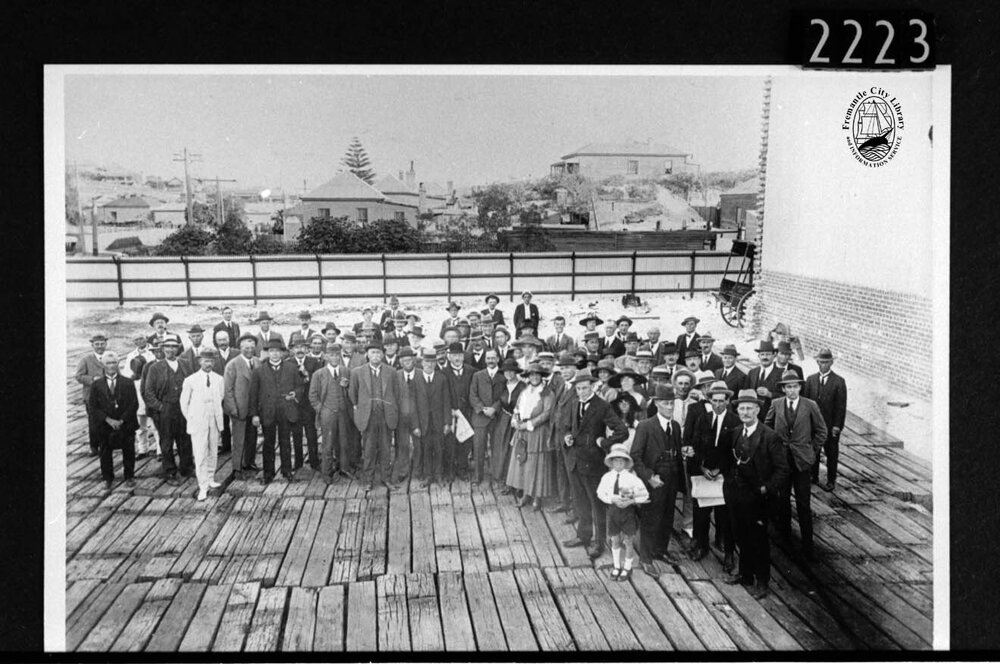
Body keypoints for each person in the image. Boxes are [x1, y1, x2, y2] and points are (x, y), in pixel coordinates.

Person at [720, 389, 789, 599]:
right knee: (740, 534)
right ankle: (745, 574)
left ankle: (762, 581)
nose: (745, 412)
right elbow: (727, 461)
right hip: (735, 494)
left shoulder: (770, 436)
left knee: (758, 539)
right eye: (742, 408)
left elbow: (782, 470)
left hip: (758, 498)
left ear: (758, 410)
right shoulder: (735, 433)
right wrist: (729, 482)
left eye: (750, 408)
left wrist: (766, 488)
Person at [562, 371, 629, 560]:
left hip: (592, 463)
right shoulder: (574, 403)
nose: (581, 392)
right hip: (574, 460)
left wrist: (604, 443)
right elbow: (567, 426)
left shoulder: (602, 406)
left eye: (585, 388)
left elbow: (622, 431)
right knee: (580, 501)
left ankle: (599, 543)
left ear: (592, 387)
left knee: (596, 504)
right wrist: (567, 436)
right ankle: (583, 536)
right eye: (578, 389)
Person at [765, 370, 827, 560]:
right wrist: (774, 450)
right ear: (783, 389)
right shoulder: (776, 404)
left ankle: (808, 545)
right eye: (788, 387)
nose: (792, 390)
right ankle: (785, 539)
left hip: (802, 461)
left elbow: (822, 431)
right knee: (782, 499)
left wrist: (811, 451)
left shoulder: (810, 405)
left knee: (803, 502)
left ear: (800, 387)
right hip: (782, 461)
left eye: (795, 386)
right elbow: (767, 427)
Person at [630, 384, 685, 572]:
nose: (669, 407)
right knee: (650, 518)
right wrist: (649, 476)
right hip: (654, 481)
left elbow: (677, 453)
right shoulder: (646, 426)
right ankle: (645, 558)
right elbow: (635, 457)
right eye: (665, 403)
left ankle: (660, 550)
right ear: (657, 404)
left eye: (671, 403)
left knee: (668, 517)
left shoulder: (675, 426)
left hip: (671, 479)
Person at [689, 381, 741, 570]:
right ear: (709, 401)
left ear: (727, 401)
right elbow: (695, 444)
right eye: (714, 401)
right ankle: (701, 545)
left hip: (724, 473)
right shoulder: (703, 419)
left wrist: (720, 469)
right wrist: (702, 467)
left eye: (721, 401)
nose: (718, 404)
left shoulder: (735, 421)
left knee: (726, 515)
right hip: (704, 472)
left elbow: (735, 451)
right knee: (701, 514)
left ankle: (728, 552)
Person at [505, 362, 557, 511]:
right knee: (523, 462)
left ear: (541, 376)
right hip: (522, 431)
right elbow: (517, 408)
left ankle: (537, 497)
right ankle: (525, 494)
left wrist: (529, 424)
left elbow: (547, 413)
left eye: (537, 374)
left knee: (536, 465)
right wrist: (515, 420)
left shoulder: (547, 393)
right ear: (528, 376)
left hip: (537, 432)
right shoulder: (525, 391)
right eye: (531, 375)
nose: (534, 377)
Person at [349, 341, 399, 490]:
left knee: (385, 448)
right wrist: (362, 408)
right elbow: (353, 394)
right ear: (367, 355)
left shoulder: (391, 372)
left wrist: (390, 409)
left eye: (378, 352)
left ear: (383, 355)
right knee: (369, 449)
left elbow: (396, 393)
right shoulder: (357, 372)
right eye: (372, 352)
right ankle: (368, 480)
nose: (376, 355)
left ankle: (386, 478)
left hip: (385, 415)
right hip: (368, 417)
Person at [143, 337, 193, 484]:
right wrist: (160, 407)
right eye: (167, 347)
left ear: (178, 349)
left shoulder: (185, 364)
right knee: (166, 442)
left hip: (183, 408)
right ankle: (170, 471)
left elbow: (193, 384)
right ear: (163, 349)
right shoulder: (155, 368)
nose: (170, 350)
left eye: (173, 347)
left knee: (185, 439)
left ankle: (186, 468)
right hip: (165, 408)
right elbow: (148, 392)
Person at [249, 339, 299, 484]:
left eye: (278, 351)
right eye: (272, 351)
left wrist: (295, 393)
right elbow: (253, 394)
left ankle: (287, 471)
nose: (275, 354)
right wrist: (254, 414)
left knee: (285, 442)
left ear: (282, 353)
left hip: (285, 411)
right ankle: (268, 474)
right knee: (268, 443)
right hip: (268, 412)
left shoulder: (291, 368)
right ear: (268, 353)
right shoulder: (259, 371)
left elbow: (300, 386)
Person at [597, 443, 650, 582]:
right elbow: (600, 493)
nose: (618, 464)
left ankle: (627, 567)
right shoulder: (607, 477)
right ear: (611, 462)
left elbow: (645, 494)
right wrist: (611, 499)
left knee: (628, 541)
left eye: (621, 461)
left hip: (628, 513)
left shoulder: (632, 478)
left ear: (626, 463)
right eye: (615, 461)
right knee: (614, 540)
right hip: (613, 512)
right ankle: (616, 566)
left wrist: (632, 501)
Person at [88, 350, 140, 492]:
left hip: (125, 423)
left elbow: (134, 404)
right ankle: (107, 478)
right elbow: (93, 407)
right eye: (108, 363)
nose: (111, 366)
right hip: (105, 425)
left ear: (118, 364)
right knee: (105, 451)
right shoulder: (96, 385)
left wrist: (122, 420)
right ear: (103, 365)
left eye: (114, 363)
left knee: (129, 450)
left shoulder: (128, 382)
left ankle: (129, 476)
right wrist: (108, 420)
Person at [180, 348, 226, 501]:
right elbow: (184, 403)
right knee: (200, 453)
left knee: (213, 451)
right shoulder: (190, 380)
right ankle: (203, 486)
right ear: (200, 361)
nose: (209, 364)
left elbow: (221, 397)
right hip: (198, 421)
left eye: (212, 361)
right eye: (206, 361)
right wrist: (192, 418)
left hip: (214, 419)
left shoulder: (219, 379)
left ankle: (211, 478)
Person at [802, 349, 848, 491]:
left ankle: (831, 480)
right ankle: (813, 476)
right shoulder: (811, 380)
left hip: (830, 425)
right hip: (813, 424)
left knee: (831, 453)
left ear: (831, 363)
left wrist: (837, 426)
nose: (823, 365)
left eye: (826, 362)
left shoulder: (839, 381)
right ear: (817, 362)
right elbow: (806, 403)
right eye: (821, 362)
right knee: (813, 451)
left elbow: (841, 407)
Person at [309, 342, 351, 483]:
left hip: (343, 412)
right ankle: (326, 473)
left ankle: (343, 468)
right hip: (327, 414)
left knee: (344, 442)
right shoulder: (318, 374)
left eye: (337, 355)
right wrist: (321, 409)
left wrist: (347, 387)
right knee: (328, 443)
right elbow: (312, 395)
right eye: (331, 355)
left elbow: (352, 392)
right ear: (326, 356)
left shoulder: (346, 371)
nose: (334, 358)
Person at [415, 349, 454, 487]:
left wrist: (447, 423)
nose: (429, 364)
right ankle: (428, 476)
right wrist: (415, 425)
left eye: (432, 362)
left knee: (439, 449)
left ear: (436, 363)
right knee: (425, 449)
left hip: (438, 421)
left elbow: (447, 402)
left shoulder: (441, 379)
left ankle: (438, 475)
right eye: (427, 361)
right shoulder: (416, 379)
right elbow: (413, 404)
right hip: (423, 422)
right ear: (422, 363)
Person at [223, 334, 260, 481]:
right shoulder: (232, 364)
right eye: (246, 347)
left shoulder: (258, 362)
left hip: (254, 409)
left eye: (252, 347)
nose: (249, 350)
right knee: (239, 439)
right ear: (240, 348)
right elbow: (227, 390)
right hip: (239, 409)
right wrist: (233, 409)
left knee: (252, 437)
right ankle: (237, 468)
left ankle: (249, 463)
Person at [469, 348, 506, 486]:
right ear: (485, 360)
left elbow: (505, 395)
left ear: (498, 359)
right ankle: (477, 477)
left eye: (493, 358)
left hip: (497, 417)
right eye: (488, 358)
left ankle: (497, 476)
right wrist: (482, 409)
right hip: (480, 417)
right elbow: (472, 395)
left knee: (497, 448)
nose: (491, 361)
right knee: (479, 448)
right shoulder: (477, 375)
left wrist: (494, 408)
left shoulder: (503, 376)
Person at [548, 353, 579, 517]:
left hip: (570, 437)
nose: (564, 371)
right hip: (558, 435)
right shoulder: (562, 385)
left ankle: (576, 509)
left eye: (567, 368)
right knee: (561, 469)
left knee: (572, 473)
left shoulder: (578, 387)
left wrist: (571, 434)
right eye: (562, 368)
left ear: (575, 368)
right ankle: (564, 502)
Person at [392, 347, 424, 485]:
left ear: (414, 360)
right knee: (402, 445)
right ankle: (403, 471)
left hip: (419, 417)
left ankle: (418, 470)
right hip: (402, 418)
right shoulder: (396, 376)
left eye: (410, 360)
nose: (407, 362)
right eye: (404, 360)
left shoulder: (421, 374)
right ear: (400, 362)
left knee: (419, 445)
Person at [122, 333, 158, 459]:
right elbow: (126, 373)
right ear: (134, 342)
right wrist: (132, 377)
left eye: (141, 338)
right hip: (136, 390)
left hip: (150, 389)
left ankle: (160, 449)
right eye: (136, 339)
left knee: (154, 423)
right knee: (139, 423)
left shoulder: (153, 352)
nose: (139, 341)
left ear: (146, 338)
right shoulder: (131, 355)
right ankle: (143, 448)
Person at [288, 334, 321, 471]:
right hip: (295, 405)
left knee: (311, 435)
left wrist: (307, 373)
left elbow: (318, 382)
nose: (300, 350)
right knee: (296, 435)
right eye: (297, 347)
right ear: (292, 350)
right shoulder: (288, 363)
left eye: (302, 347)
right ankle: (298, 462)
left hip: (309, 406)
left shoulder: (314, 362)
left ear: (307, 349)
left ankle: (314, 461)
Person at [444, 341, 475, 481]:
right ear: (449, 357)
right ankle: (450, 470)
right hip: (451, 412)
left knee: (465, 441)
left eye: (459, 355)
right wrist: (450, 409)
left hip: (467, 412)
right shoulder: (443, 373)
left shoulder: (471, 371)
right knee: (450, 442)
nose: (457, 358)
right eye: (454, 355)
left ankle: (462, 469)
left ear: (463, 356)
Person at [77, 333, 110, 456]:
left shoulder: (110, 357)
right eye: (97, 344)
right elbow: (79, 376)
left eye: (102, 344)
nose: (100, 346)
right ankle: (94, 446)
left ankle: (106, 444)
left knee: (107, 420)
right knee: (93, 421)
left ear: (106, 344)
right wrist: (92, 379)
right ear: (92, 345)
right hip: (91, 396)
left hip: (107, 396)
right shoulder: (85, 360)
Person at [210, 329, 239, 454]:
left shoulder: (237, 353)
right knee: (222, 419)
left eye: (224, 339)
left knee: (237, 419)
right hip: (219, 393)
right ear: (216, 341)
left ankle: (238, 445)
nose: (222, 342)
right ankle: (226, 445)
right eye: (220, 340)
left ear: (229, 340)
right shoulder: (213, 355)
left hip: (236, 392)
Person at [746, 340, 783, 422]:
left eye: (768, 354)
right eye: (762, 354)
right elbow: (745, 392)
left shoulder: (781, 374)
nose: (765, 357)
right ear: (758, 356)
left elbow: (786, 396)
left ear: (774, 355)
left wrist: (770, 394)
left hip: (772, 418)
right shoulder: (752, 372)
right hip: (753, 417)